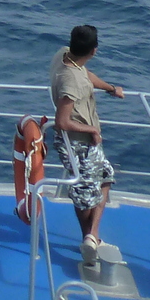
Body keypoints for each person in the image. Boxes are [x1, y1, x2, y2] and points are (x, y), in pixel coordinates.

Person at [49, 24, 124, 264]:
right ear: (94, 50)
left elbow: (86, 75)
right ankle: (89, 241)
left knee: (105, 177)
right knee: (85, 196)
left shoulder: (65, 55)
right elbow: (62, 121)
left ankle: (92, 237)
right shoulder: (71, 83)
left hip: (87, 143)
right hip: (78, 144)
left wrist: (111, 89)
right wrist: (91, 129)